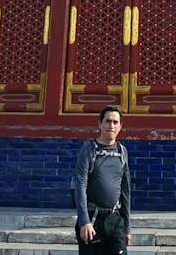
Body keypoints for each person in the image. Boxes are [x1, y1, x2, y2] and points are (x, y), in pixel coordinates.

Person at [72, 105, 131, 255]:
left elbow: (126, 191)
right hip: (93, 219)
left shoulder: (122, 152)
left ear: (120, 126)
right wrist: (84, 221)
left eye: (115, 122)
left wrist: (127, 227)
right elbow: (80, 185)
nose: (111, 126)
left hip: (115, 220)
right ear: (100, 124)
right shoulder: (89, 148)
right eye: (107, 121)